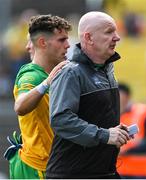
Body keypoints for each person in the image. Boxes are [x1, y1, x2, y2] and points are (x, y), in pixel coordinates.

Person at [46, 11, 131, 179]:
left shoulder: (107, 70)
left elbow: (95, 116)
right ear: (89, 38)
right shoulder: (70, 73)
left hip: (105, 172)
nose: (117, 37)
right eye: (109, 32)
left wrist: (115, 131)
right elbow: (60, 119)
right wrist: (104, 135)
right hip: (73, 175)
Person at [6, 14, 71, 179]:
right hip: (36, 169)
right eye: (62, 40)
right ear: (43, 43)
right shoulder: (31, 75)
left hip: (54, 164)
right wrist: (47, 82)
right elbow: (20, 106)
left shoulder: (55, 75)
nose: (68, 45)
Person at [117, 82, 146, 179]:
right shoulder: (110, 114)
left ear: (127, 97)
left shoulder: (143, 112)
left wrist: (127, 150)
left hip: (141, 171)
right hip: (118, 170)